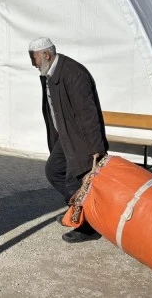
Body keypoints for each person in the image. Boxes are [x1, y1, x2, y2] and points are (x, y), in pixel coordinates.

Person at [28, 37, 109, 243]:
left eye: (34, 58)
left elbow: (87, 113)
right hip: (65, 138)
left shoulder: (73, 73)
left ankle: (88, 226)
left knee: (75, 182)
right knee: (54, 171)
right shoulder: (51, 73)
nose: (33, 64)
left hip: (81, 141)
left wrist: (96, 147)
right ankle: (76, 210)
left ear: (46, 55)